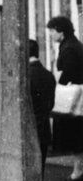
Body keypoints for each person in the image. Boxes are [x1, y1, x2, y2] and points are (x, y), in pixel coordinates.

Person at [47, 16, 83, 181]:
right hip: (78, 97)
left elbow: (67, 73)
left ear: (61, 31)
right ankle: (78, 170)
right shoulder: (72, 44)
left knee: (76, 135)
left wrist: (59, 81)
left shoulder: (68, 48)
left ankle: (78, 171)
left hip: (74, 99)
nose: (51, 35)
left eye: (52, 31)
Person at [28, 39, 56, 172]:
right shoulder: (49, 75)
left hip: (29, 129)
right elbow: (51, 104)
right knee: (40, 170)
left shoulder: (26, 76)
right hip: (44, 129)